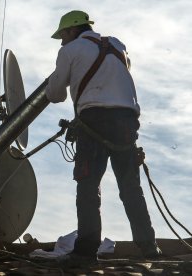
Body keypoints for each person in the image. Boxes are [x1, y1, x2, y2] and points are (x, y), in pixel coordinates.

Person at [45, 10, 162, 266]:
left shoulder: (70, 50)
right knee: (131, 188)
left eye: (62, 36)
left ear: (71, 30)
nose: (62, 42)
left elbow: (55, 95)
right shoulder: (117, 45)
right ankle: (149, 247)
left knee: (87, 187)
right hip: (127, 123)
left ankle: (86, 252)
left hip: (94, 121)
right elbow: (116, 77)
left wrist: (58, 78)